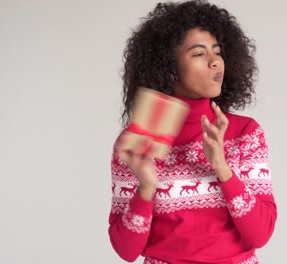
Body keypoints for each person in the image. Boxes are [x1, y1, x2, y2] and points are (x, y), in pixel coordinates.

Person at [108, 1, 277, 263]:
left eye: (217, 52)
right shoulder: (139, 141)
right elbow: (126, 251)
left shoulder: (246, 133)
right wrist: (146, 187)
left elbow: (260, 235)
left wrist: (222, 167)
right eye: (199, 54)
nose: (214, 62)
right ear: (169, 67)